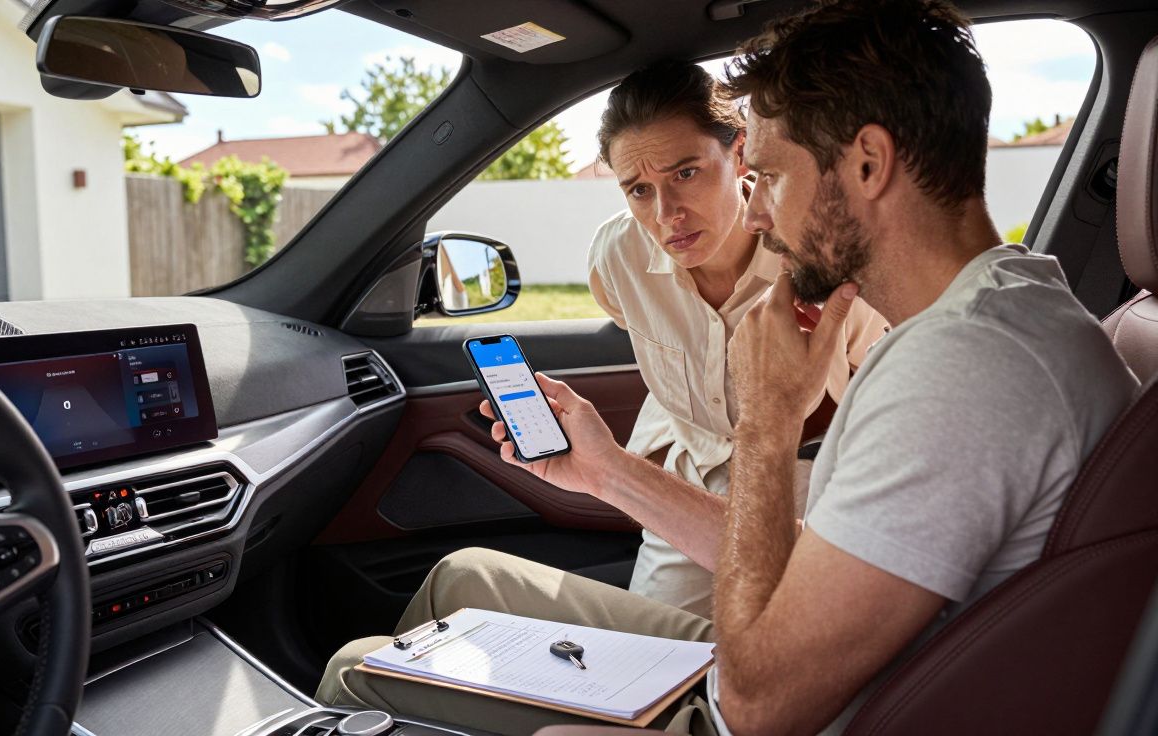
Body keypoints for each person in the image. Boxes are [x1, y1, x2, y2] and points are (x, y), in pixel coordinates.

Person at [317, 1, 1139, 734]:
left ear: (867, 163)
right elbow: (809, 566)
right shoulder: (1004, 310)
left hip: (764, 704)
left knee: (356, 666)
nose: (753, 210)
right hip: (815, 659)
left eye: (770, 176)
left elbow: (754, 704)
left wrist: (769, 419)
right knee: (461, 577)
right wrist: (606, 472)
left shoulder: (959, 370)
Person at [585, 61, 887, 616]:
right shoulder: (617, 256)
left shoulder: (820, 255)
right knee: (647, 660)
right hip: (693, 478)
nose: (666, 214)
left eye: (685, 174)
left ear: (740, 152)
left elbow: (882, 385)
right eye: (639, 190)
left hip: (813, 480)